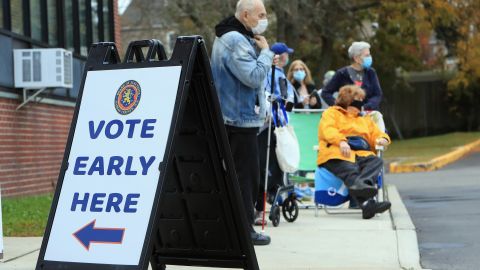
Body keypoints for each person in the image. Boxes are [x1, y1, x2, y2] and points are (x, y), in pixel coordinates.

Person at [211, 0, 273, 245]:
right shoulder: (236, 40)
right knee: (246, 179)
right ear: (245, 15)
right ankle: (244, 232)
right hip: (239, 120)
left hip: (235, 117)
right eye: (261, 14)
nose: (264, 19)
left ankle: (235, 229)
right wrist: (266, 53)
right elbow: (253, 76)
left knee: (242, 177)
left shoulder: (231, 37)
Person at [317, 84, 392, 219]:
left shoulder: (364, 119)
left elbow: (377, 134)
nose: (361, 101)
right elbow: (328, 130)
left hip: (361, 153)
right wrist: (341, 141)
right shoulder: (331, 113)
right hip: (336, 152)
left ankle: (362, 189)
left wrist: (383, 139)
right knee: (350, 169)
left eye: (362, 98)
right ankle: (368, 203)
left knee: (376, 161)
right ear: (348, 99)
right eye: (358, 98)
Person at [255, 42, 295, 226]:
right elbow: (271, 95)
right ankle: (262, 202)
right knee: (267, 161)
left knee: (271, 161)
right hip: (269, 124)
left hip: (274, 123)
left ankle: (271, 192)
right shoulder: (272, 73)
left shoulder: (278, 74)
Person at [321, 41, 386, 132]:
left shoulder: (371, 72)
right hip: (346, 120)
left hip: (369, 118)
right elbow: (325, 92)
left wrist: (366, 107)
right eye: (366, 55)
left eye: (369, 55)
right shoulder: (342, 73)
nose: (370, 58)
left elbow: (377, 94)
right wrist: (339, 107)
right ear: (356, 58)